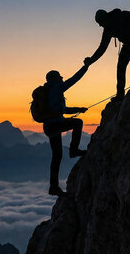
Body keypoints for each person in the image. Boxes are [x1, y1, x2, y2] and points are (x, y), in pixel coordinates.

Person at [43, 65, 89, 196]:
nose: (62, 79)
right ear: (56, 79)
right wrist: (85, 67)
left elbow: (62, 110)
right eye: (60, 77)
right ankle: (74, 150)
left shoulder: (49, 90)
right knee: (78, 123)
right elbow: (74, 80)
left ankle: (53, 187)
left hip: (49, 127)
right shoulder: (57, 88)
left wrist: (78, 109)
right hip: (56, 125)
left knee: (56, 157)